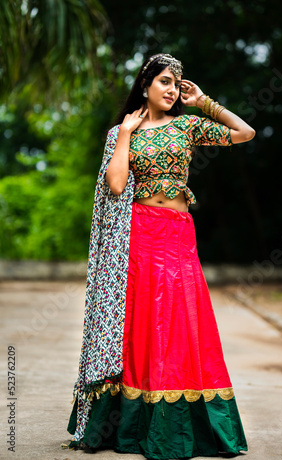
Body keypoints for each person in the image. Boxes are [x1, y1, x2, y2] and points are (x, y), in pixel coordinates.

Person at [64, 53, 255, 458]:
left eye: (177, 84)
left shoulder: (187, 125)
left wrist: (204, 102)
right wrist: (124, 135)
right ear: (146, 85)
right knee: (142, 321)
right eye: (165, 82)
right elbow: (117, 186)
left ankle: (187, 425)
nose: (172, 90)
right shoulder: (124, 130)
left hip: (177, 234)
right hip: (139, 233)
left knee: (184, 319)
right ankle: (130, 423)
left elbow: (245, 132)